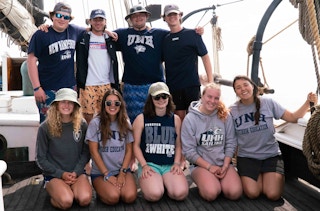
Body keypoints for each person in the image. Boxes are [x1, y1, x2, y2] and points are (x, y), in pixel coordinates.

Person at [229, 75, 318, 201]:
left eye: (245, 85)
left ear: (252, 86)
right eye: (238, 87)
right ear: (235, 92)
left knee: (273, 195)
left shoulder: (268, 103)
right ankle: (255, 177)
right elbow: (229, 137)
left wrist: (307, 102)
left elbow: (292, 117)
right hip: (247, 157)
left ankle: (266, 176)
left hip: (270, 156)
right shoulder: (232, 111)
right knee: (253, 193)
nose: (243, 89)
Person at [114, 5, 203, 124]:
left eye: (141, 15)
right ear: (130, 19)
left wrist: (196, 31)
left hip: (156, 86)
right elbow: (101, 34)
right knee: (135, 123)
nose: (138, 18)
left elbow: (179, 34)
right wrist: (90, 30)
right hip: (132, 88)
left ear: (146, 16)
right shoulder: (122, 34)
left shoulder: (160, 34)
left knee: (161, 121)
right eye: (134, 16)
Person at [181, 83, 242, 201]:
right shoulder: (190, 119)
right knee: (212, 193)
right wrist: (209, 167)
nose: (212, 101)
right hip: (201, 165)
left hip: (223, 163)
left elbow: (231, 142)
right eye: (209, 96)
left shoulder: (225, 115)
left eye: (216, 98)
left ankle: (221, 181)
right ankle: (206, 182)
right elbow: (188, 151)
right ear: (202, 97)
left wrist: (225, 165)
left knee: (235, 193)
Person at [27, 2, 85, 123]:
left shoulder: (74, 30)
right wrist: (37, 88)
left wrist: (108, 32)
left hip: (69, 88)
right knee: (48, 125)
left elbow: (94, 29)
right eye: (59, 15)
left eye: (66, 17)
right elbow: (31, 60)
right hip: (47, 89)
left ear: (69, 19)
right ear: (52, 16)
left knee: (69, 124)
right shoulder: (41, 34)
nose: (62, 19)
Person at [35, 88, 92, 209]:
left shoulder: (82, 124)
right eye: (63, 101)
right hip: (54, 175)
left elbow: (86, 152)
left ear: (75, 105)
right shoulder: (44, 127)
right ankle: (55, 193)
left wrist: (76, 172)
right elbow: (40, 158)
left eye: (70, 102)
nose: (66, 105)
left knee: (85, 199)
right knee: (66, 202)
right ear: (56, 104)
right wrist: (61, 174)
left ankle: (68, 190)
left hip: (76, 173)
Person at [132, 82, 189, 202]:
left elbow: (178, 145)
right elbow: (135, 146)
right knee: (154, 195)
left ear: (169, 97)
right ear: (151, 99)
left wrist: (177, 163)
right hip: (150, 165)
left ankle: (166, 182)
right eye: (157, 97)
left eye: (164, 96)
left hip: (169, 165)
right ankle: (157, 183)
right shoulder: (141, 119)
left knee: (180, 194)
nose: (161, 99)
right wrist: (144, 165)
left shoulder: (176, 119)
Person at [162, 4, 213, 121]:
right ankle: (181, 140)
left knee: (195, 117)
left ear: (180, 15)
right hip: (173, 86)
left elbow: (205, 57)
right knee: (179, 119)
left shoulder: (193, 34)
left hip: (191, 85)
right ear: (164, 18)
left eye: (175, 14)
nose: (172, 17)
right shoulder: (164, 39)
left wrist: (210, 82)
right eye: (169, 15)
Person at [86, 89, 137, 205]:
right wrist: (107, 174)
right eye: (109, 103)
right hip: (100, 173)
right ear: (104, 105)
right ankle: (102, 190)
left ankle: (112, 188)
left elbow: (129, 150)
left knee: (130, 197)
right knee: (113, 197)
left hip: (121, 169)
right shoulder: (95, 123)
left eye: (116, 103)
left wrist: (123, 173)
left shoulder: (125, 123)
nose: (112, 106)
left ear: (121, 105)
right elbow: (94, 152)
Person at [76, 9, 120, 124]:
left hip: (106, 84)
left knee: (107, 116)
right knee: (87, 119)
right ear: (90, 21)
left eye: (101, 20)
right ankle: (88, 141)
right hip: (88, 85)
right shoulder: (82, 37)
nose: (98, 22)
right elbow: (69, 29)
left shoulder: (110, 39)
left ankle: (104, 141)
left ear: (105, 21)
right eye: (95, 20)